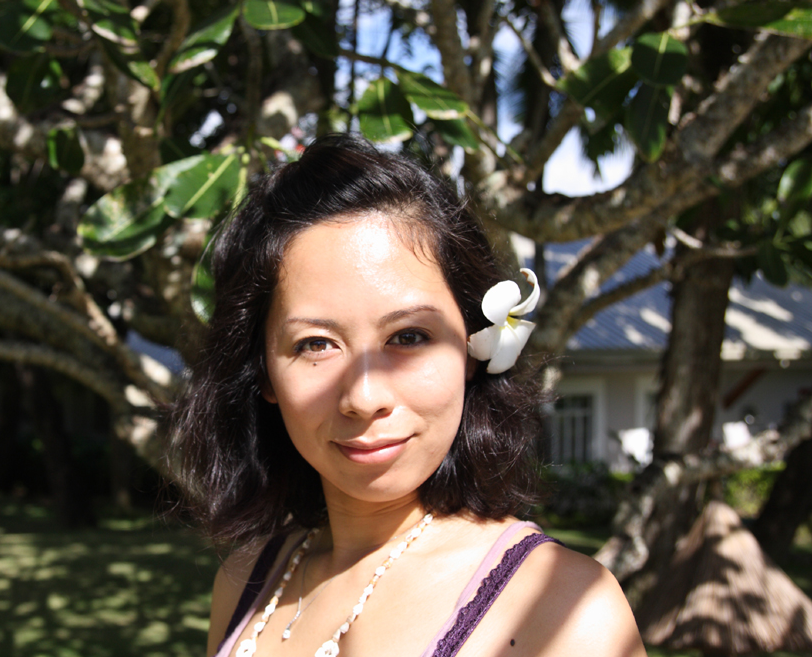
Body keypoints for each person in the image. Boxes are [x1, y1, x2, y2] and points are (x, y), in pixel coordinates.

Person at [170, 135, 646, 657]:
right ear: (262, 374)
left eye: (409, 336)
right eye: (316, 344)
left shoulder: (565, 607)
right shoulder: (246, 580)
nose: (363, 396)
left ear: (472, 348)